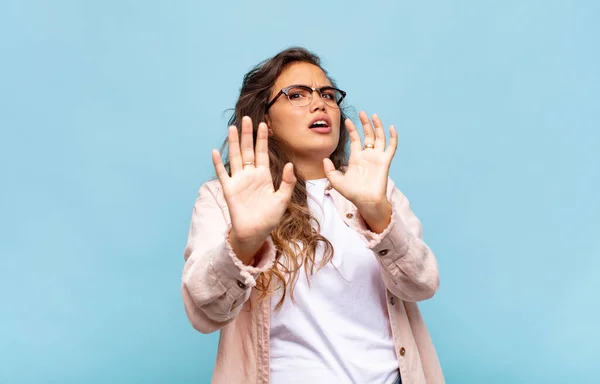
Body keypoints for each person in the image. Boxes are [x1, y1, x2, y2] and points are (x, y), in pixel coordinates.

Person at [181, 47, 444, 384]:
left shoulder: (375, 190)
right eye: (297, 94)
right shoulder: (221, 199)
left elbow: (421, 285)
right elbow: (206, 313)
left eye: (327, 94)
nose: (320, 103)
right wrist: (243, 243)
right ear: (267, 122)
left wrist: (377, 213)